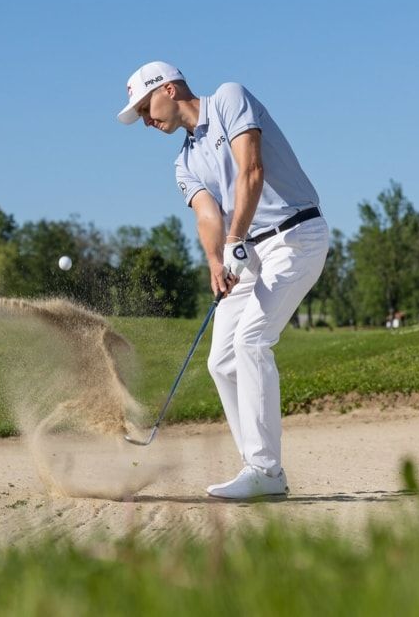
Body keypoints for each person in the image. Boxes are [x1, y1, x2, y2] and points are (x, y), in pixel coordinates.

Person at [117, 61, 330, 499]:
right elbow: (207, 214)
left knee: (251, 341)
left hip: (296, 236)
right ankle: (260, 467)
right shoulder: (184, 162)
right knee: (222, 361)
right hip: (248, 254)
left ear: (170, 89)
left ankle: (266, 472)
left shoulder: (230, 98)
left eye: (145, 107)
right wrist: (217, 261)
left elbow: (252, 169)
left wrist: (234, 240)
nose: (145, 120)